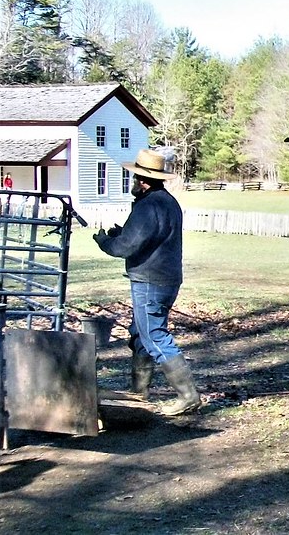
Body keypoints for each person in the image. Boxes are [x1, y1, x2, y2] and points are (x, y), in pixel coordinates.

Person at [93, 148, 201, 416]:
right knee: (141, 333)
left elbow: (126, 247)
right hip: (165, 278)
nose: (132, 182)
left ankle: (188, 396)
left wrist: (105, 241)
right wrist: (123, 233)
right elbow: (147, 237)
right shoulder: (167, 202)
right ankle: (139, 391)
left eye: (134, 178)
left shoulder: (149, 206)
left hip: (150, 280)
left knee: (153, 335)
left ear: (143, 180)